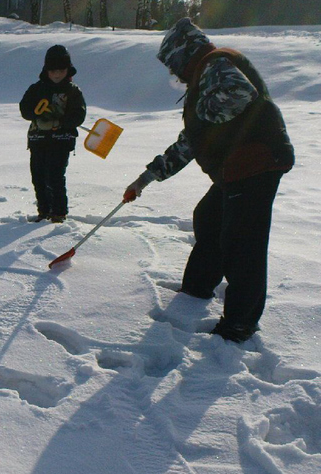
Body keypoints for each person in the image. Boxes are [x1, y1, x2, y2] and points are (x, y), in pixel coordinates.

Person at [123, 18, 294, 343]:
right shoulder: (205, 75)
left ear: (184, 57)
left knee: (242, 243)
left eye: (174, 68)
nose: (175, 76)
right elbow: (190, 142)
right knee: (209, 217)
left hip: (257, 162)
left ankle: (240, 324)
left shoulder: (215, 65)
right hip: (240, 167)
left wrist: (202, 112)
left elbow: (241, 93)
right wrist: (145, 179)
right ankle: (197, 288)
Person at [20, 45, 87, 223]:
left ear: (68, 70)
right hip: (38, 139)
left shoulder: (73, 91)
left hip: (61, 141)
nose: (57, 74)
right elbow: (25, 110)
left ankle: (58, 212)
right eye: (53, 71)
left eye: (61, 70)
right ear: (46, 70)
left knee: (55, 175)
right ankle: (44, 211)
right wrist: (38, 114)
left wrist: (60, 121)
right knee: (38, 175)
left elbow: (79, 115)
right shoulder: (36, 89)